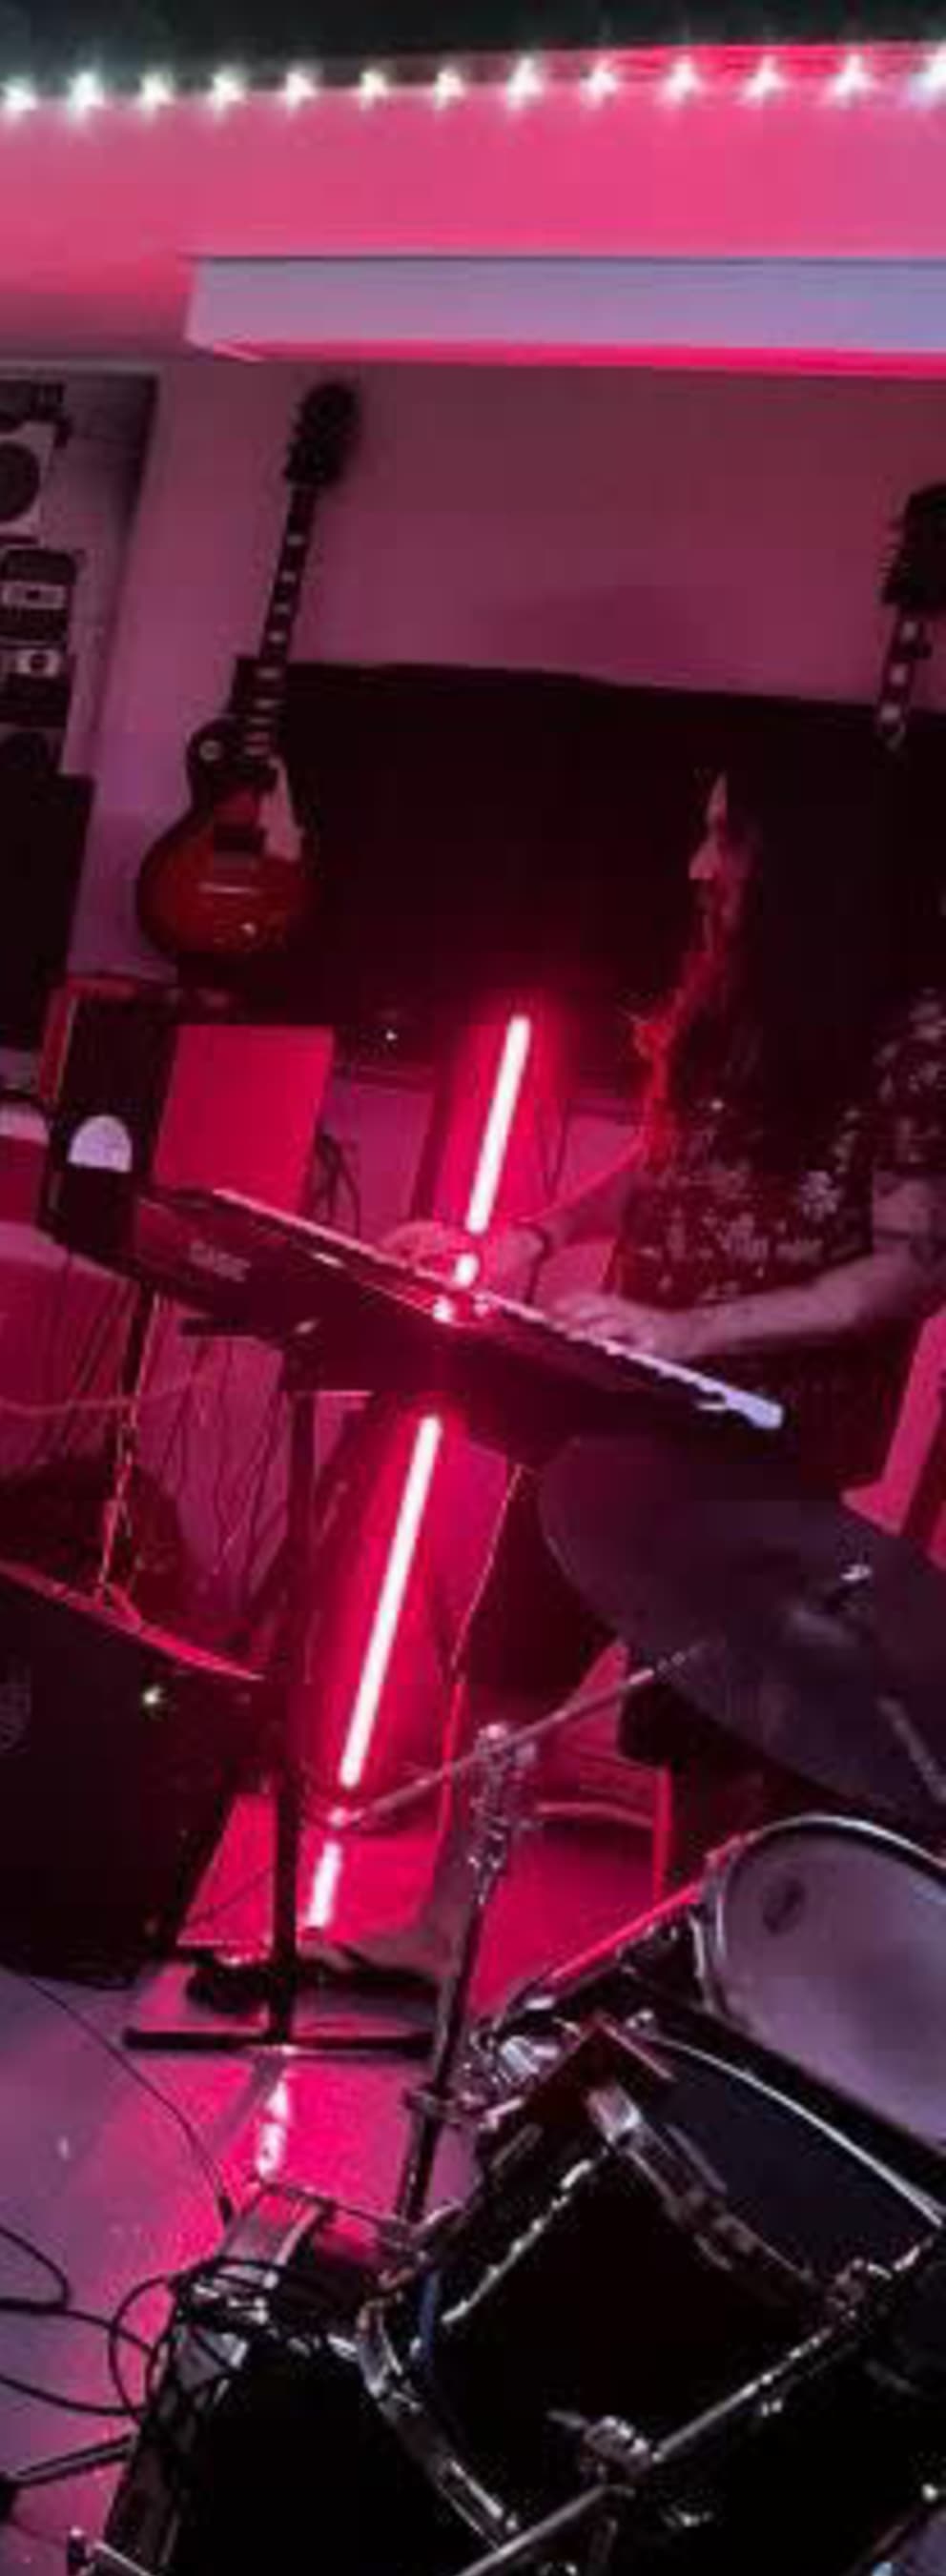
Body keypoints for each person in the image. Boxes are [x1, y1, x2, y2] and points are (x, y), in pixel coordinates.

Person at [353, 754, 946, 1986]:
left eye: (727, 839)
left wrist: (693, 1334)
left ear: (806, 866)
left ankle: (692, 1995)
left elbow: (908, 1271)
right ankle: (443, 1938)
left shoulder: (914, 1037)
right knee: (510, 1659)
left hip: (757, 1434)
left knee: (713, 1722)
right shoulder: (737, 996)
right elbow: (668, 1165)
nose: (698, 866)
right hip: (617, 1397)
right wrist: (528, 1236)